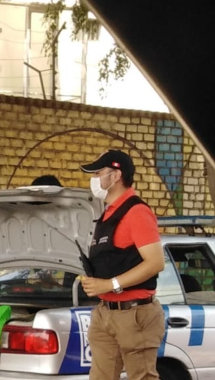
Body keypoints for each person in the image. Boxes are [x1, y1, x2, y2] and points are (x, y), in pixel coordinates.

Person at [79, 150, 165, 380]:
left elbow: (156, 263)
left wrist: (110, 284)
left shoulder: (137, 212)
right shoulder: (108, 214)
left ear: (115, 176)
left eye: (98, 173)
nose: (94, 179)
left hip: (135, 313)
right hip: (106, 312)